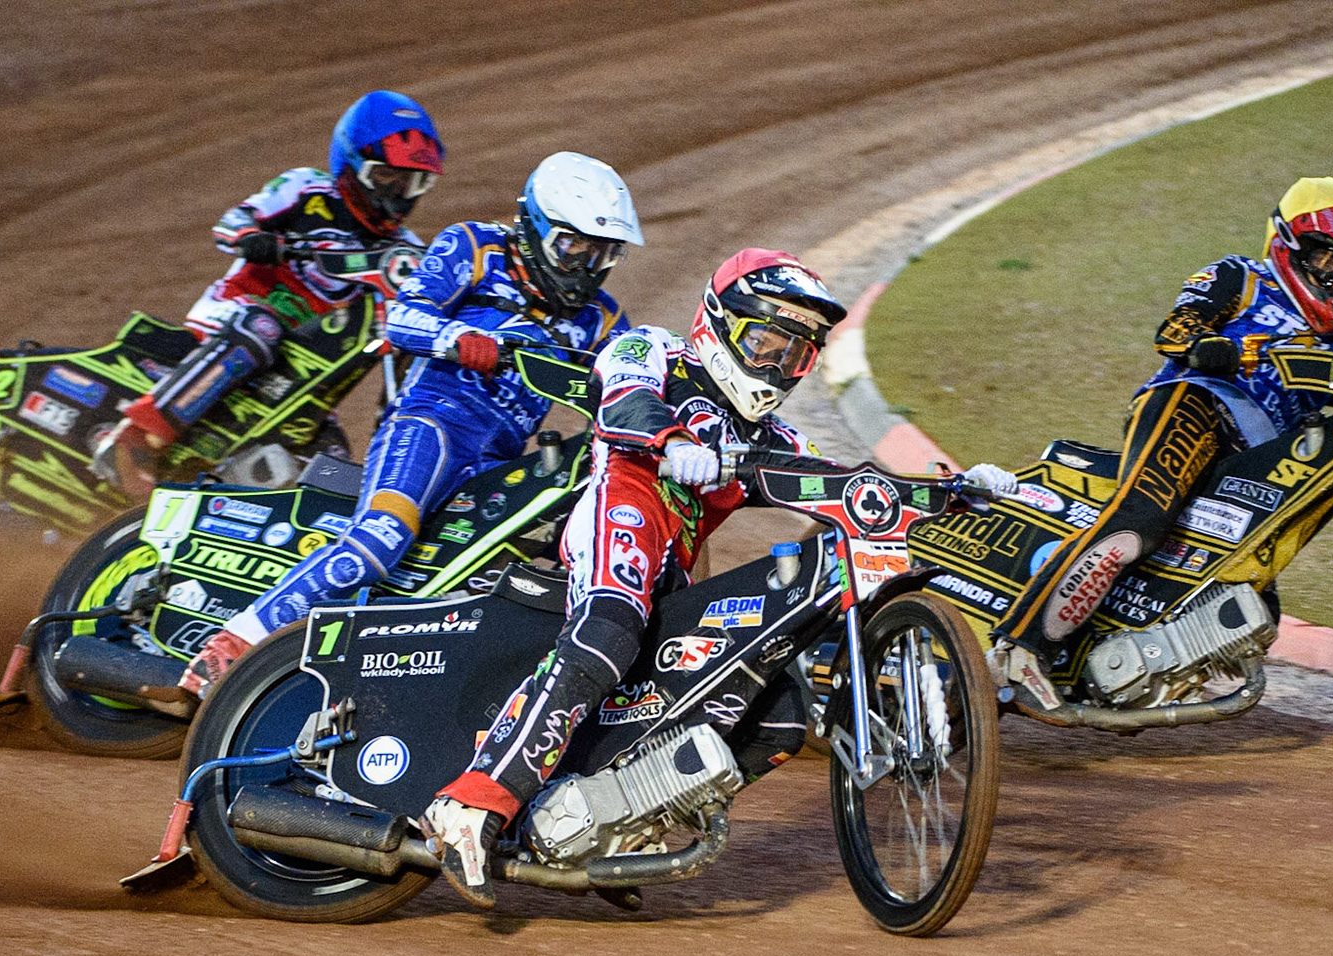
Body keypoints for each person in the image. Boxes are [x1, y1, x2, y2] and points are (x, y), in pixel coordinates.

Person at [418, 249, 1020, 908]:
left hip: (672, 562)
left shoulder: (771, 435)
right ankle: (470, 803)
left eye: (793, 355)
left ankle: (619, 820)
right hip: (621, 506)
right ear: (720, 323)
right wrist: (674, 443)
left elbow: (846, 482)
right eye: (764, 342)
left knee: (781, 714)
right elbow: (622, 402)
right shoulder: (654, 351)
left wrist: (951, 488)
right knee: (611, 627)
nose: (774, 366)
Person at [987, 176, 1333, 688]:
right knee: (1138, 523)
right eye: (1329, 259)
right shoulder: (1241, 278)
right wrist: (1204, 346)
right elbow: (1177, 326)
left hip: (1254, 461)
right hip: (1194, 404)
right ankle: (1021, 648)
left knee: (1253, 609)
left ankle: (1121, 660)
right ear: (1289, 246)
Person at [176, 151, 642, 698]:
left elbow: (633, 379)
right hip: (431, 424)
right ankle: (226, 650)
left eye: (604, 253)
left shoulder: (603, 318)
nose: (588, 265)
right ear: (536, 227)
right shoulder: (476, 247)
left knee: (499, 576)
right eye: (574, 246)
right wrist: (458, 340)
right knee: (380, 540)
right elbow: (403, 315)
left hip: (498, 461)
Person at [90, 90, 444, 495]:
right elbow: (231, 222)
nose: (397, 196)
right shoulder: (305, 188)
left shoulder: (406, 255)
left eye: (413, 182)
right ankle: (135, 435)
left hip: (306, 367)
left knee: (332, 460)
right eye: (385, 177)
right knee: (262, 330)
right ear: (351, 164)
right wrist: (252, 238)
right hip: (235, 320)